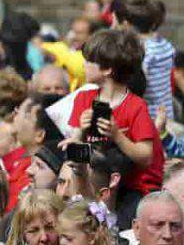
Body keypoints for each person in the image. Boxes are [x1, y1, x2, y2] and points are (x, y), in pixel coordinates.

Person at [66, 29, 164, 228]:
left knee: (123, 225)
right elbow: (74, 151)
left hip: (132, 189)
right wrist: (80, 132)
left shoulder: (135, 106)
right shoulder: (83, 99)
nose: (84, 65)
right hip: (90, 185)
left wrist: (117, 136)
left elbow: (146, 156)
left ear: (107, 70)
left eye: (89, 61)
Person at [115, 0, 175, 121]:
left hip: (151, 116)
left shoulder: (143, 52)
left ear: (128, 25)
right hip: (167, 112)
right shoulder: (166, 45)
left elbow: (140, 86)